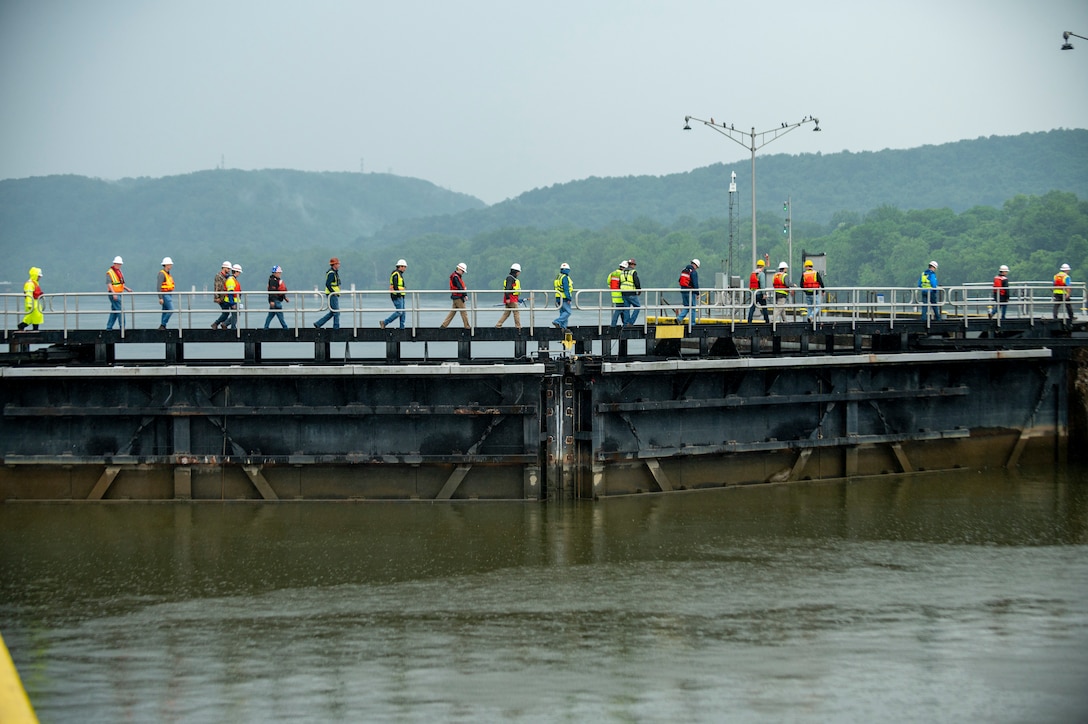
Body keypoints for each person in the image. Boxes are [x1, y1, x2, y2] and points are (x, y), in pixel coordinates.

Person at [440, 262, 471, 329]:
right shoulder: (456, 277)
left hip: (455, 296)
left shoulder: (455, 276)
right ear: (459, 269)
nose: (463, 273)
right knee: (464, 312)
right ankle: (467, 327)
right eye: (462, 271)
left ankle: (444, 325)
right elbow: (459, 287)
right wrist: (465, 295)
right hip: (458, 297)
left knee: (452, 312)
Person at [313, 257, 342, 329]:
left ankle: (318, 323)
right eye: (338, 264)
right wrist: (333, 292)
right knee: (336, 312)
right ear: (334, 264)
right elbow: (328, 284)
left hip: (333, 294)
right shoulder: (331, 273)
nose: (339, 265)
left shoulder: (334, 272)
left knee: (333, 312)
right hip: (332, 295)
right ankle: (336, 328)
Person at [105, 255, 131, 330]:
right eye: (118, 264)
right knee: (121, 310)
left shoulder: (119, 272)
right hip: (114, 294)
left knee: (115, 311)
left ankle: (109, 328)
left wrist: (126, 288)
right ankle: (122, 328)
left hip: (119, 293)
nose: (119, 265)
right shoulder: (110, 272)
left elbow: (120, 283)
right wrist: (114, 293)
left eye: (120, 264)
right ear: (115, 263)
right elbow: (109, 284)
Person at [381, 259, 408, 329]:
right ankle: (385, 322)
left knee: (403, 312)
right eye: (404, 267)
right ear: (400, 266)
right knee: (399, 312)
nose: (405, 268)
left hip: (401, 296)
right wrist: (399, 294)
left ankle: (402, 327)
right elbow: (395, 286)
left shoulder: (399, 274)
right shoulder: (396, 274)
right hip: (397, 296)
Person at [495, 263, 522, 329]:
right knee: (516, 312)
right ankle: (518, 327)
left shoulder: (510, 278)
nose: (519, 273)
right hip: (511, 299)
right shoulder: (511, 278)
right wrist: (508, 298)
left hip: (510, 298)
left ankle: (498, 325)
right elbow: (508, 288)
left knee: (506, 313)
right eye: (519, 272)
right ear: (516, 272)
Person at [17, 266, 44, 332]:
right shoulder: (30, 284)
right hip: (32, 304)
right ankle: (21, 326)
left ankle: (35, 330)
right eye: (38, 276)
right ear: (35, 275)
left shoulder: (35, 283)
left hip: (36, 303)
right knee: (29, 318)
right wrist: (29, 304)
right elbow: (28, 294)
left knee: (37, 317)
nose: (39, 277)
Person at [264, 265, 290, 329]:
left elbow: (279, 290)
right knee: (280, 315)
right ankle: (285, 328)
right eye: (279, 273)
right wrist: (272, 301)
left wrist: (284, 297)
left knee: (270, 315)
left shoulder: (277, 280)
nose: (280, 274)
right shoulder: (273, 280)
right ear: (275, 273)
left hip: (276, 300)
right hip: (276, 301)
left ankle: (266, 328)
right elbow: (272, 291)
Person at [676, 258, 700, 324]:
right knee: (692, 308)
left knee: (687, 307)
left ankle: (679, 318)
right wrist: (697, 293)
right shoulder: (693, 272)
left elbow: (679, 280)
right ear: (695, 265)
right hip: (690, 292)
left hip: (683, 290)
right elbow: (695, 283)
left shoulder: (684, 270)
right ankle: (692, 323)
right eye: (697, 267)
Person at [212, 261, 233, 329]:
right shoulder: (219, 276)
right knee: (226, 313)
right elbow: (216, 287)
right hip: (221, 297)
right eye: (228, 269)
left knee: (229, 312)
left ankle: (222, 324)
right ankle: (218, 323)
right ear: (224, 268)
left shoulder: (228, 277)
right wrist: (217, 297)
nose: (229, 270)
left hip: (226, 297)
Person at [552, 262, 574, 330]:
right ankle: (557, 321)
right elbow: (566, 288)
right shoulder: (565, 277)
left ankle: (563, 327)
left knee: (563, 313)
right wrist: (568, 298)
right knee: (568, 312)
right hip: (564, 298)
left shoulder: (558, 277)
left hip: (558, 297)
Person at [747, 258, 769, 323]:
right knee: (764, 307)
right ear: (763, 266)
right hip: (759, 294)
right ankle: (767, 321)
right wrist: (764, 294)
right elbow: (762, 284)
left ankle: (749, 321)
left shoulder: (753, 273)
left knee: (752, 308)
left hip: (753, 293)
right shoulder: (761, 274)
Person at [608, 261, 628, 327]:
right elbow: (624, 284)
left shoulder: (612, 273)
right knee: (619, 310)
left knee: (622, 310)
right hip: (621, 295)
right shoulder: (622, 274)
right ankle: (613, 325)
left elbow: (608, 282)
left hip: (614, 295)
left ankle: (624, 324)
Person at [157, 257, 175, 330]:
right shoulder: (162, 274)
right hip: (165, 295)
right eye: (170, 264)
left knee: (165, 310)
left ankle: (163, 326)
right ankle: (163, 324)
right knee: (171, 310)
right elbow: (158, 287)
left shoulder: (167, 274)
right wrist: (160, 298)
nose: (171, 266)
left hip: (168, 294)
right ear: (166, 265)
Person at [622, 258, 641, 325]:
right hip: (631, 293)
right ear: (632, 265)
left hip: (624, 293)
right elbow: (636, 282)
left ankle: (626, 323)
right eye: (634, 264)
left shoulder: (622, 272)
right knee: (638, 307)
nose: (634, 266)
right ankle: (630, 322)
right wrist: (639, 290)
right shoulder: (633, 272)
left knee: (626, 309)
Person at [223, 263, 242, 329]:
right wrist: (232, 303)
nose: (239, 274)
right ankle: (232, 328)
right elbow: (230, 292)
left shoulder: (233, 279)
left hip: (235, 300)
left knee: (236, 314)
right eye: (239, 272)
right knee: (235, 315)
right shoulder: (231, 280)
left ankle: (225, 324)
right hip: (232, 300)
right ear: (235, 272)